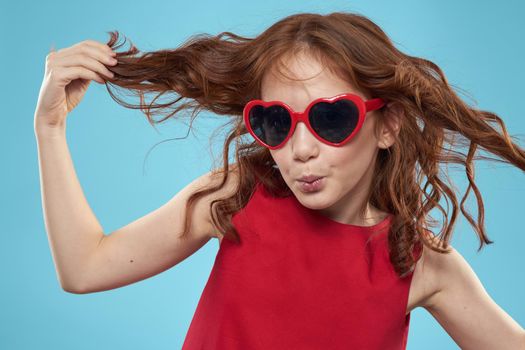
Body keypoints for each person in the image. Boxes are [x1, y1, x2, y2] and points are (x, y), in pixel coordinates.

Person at [33, 11, 525, 350]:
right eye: (277, 122)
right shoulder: (236, 195)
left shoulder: (421, 264)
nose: (301, 148)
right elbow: (84, 268)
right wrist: (49, 127)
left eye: (331, 119)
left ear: (388, 125)